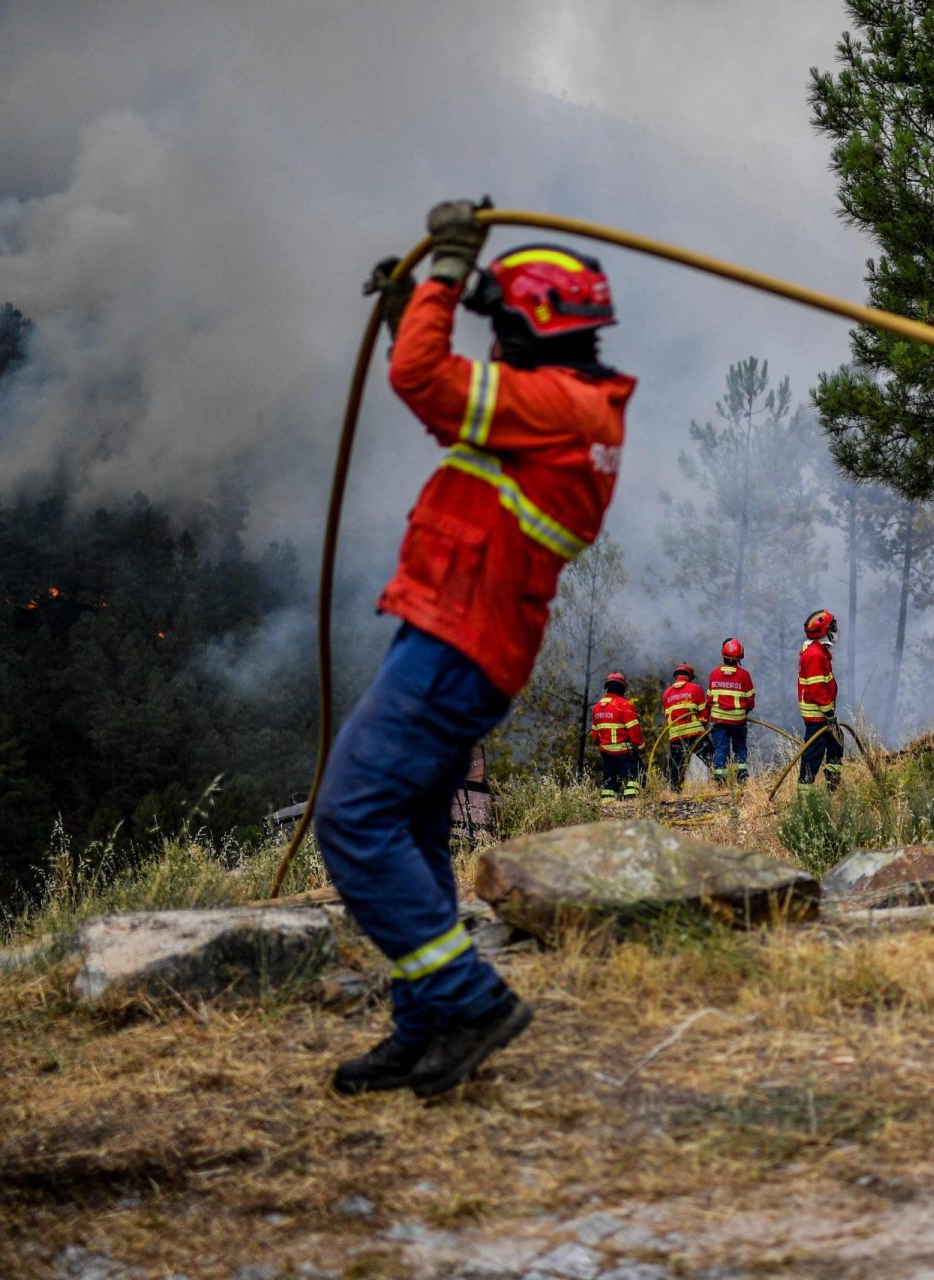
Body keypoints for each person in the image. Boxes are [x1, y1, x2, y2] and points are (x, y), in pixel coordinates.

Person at [317, 200, 634, 1098]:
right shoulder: (562, 407)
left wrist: (448, 273)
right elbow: (448, 401)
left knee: (353, 815)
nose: (490, 335)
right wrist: (417, 306)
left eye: (501, 320)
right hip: (458, 633)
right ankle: (422, 1029)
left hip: (456, 643)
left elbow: (425, 379)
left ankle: (466, 998)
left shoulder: (556, 406)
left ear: (533, 327)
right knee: (412, 825)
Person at [796, 609, 841, 791]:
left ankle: (833, 785)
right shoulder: (815, 655)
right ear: (823, 630)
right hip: (818, 715)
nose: (835, 629)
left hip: (822, 713)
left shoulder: (817, 651)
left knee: (837, 742)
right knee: (813, 754)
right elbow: (816, 689)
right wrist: (829, 712)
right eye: (832, 626)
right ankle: (805, 799)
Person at [707, 637, 756, 784]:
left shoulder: (714, 674)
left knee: (721, 748)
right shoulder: (744, 675)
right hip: (737, 720)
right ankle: (741, 774)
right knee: (740, 746)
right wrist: (744, 712)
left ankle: (720, 778)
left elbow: (709, 699)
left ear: (723, 655)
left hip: (718, 720)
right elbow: (750, 700)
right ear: (740, 657)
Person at [589, 671, 643, 800]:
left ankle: (607, 808)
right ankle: (631, 802)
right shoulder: (624, 705)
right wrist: (640, 748)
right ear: (622, 688)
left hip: (607, 754)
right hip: (625, 752)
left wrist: (604, 747)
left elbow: (595, 735)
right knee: (636, 776)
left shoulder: (597, 708)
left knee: (609, 782)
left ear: (607, 687)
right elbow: (634, 732)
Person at [661, 662, 712, 790]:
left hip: (676, 736)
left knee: (676, 765)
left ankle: (674, 790)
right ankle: (722, 782)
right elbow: (704, 713)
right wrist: (703, 725)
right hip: (694, 733)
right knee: (711, 759)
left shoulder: (666, 693)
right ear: (689, 676)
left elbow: (668, 718)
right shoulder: (695, 688)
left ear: (676, 676)